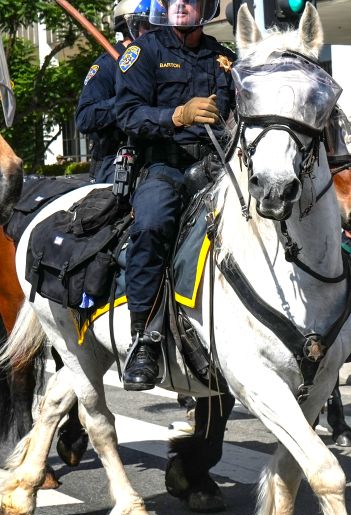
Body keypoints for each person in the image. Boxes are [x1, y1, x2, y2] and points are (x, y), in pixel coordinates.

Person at [114, 0, 234, 389]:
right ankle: (144, 340)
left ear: (208, 7)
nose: (180, 4)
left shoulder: (223, 57)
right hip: (163, 167)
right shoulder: (144, 51)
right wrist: (175, 115)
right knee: (151, 226)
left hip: (215, 166)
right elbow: (126, 114)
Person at [76, 0, 154, 182]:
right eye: (148, 25)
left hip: (159, 161)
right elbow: (84, 118)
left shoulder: (160, 62)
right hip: (116, 162)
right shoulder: (107, 65)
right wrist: (126, 100)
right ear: (130, 26)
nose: (157, 32)